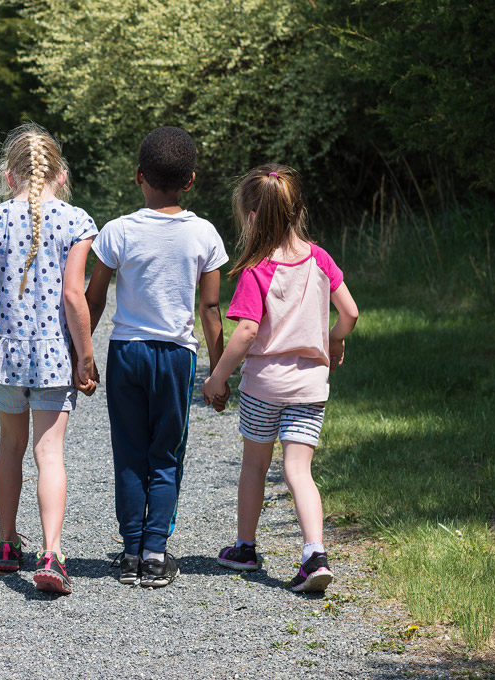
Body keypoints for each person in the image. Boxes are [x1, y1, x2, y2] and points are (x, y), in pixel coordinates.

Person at [0, 122, 98, 595]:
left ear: (9, 176)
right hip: (56, 355)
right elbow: (75, 296)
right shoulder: (77, 222)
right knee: (48, 453)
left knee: (10, 447)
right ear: (61, 174)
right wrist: (87, 356)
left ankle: (6, 542)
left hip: (5, 356)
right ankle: (52, 553)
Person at [202, 164, 359, 594]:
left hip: (265, 386)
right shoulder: (321, 259)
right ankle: (314, 554)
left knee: (255, 464)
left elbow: (248, 331)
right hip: (310, 386)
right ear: (299, 210)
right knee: (299, 469)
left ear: (252, 216)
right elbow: (351, 313)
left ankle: (246, 548)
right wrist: (332, 341)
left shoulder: (256, 269)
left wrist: (218, 377)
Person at [84, 126, 229, 588]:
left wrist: (81, 354)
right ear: (190, 180)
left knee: (129, 453)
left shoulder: (117, 231)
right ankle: (154, 553)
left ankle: (129, 553)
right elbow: (209, 308)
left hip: (126, 351)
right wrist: (219, 369)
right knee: (165, 454)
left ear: (138, 176)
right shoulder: (204, 234)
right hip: (176, 356)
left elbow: (94, 298)